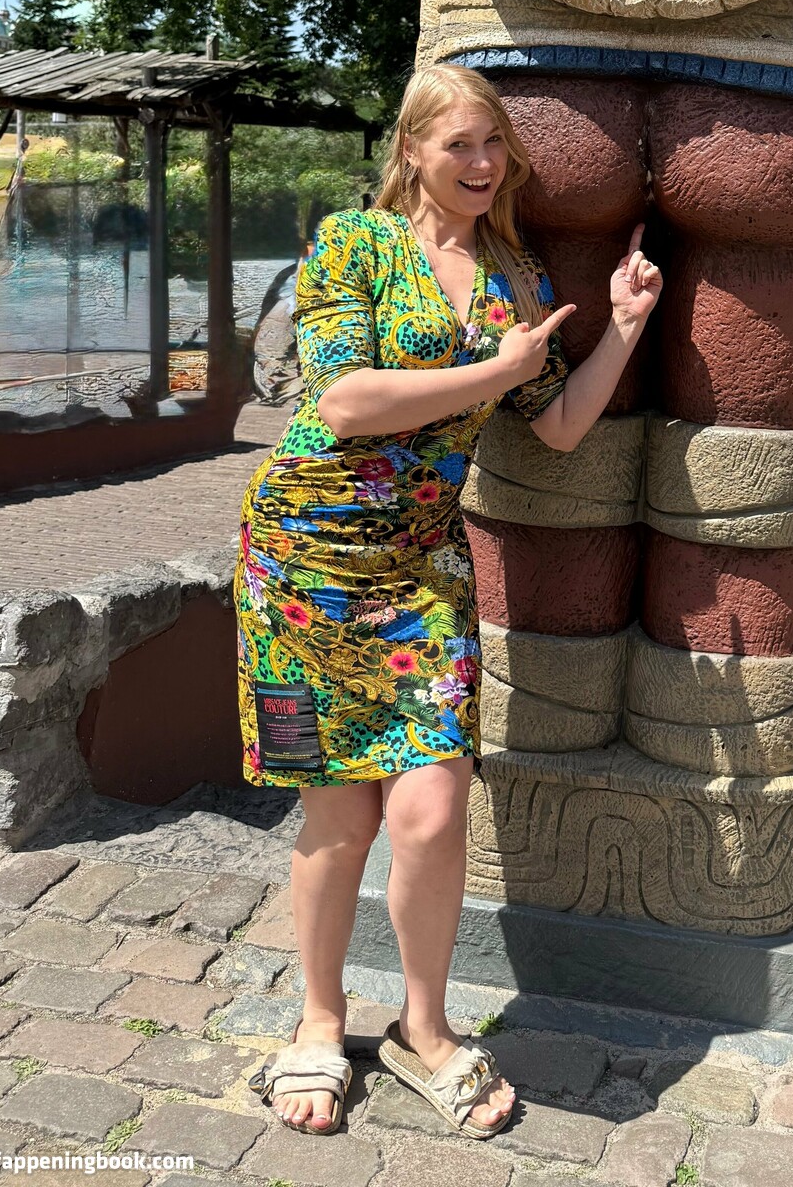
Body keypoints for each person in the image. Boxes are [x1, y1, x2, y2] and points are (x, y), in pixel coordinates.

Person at [234, 63, 661, 1139]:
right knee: (340, 812)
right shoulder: (356, 243)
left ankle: (423, 1030)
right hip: (305, 559)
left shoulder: (516, 277)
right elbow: (345, 400)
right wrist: (496, 372)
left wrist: (621, 326)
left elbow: (556, 427)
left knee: (430, 811)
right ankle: (320, 1020)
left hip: (423, 569)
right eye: (459, 143)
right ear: (413, 150)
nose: (480, 163)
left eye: (493, 144)